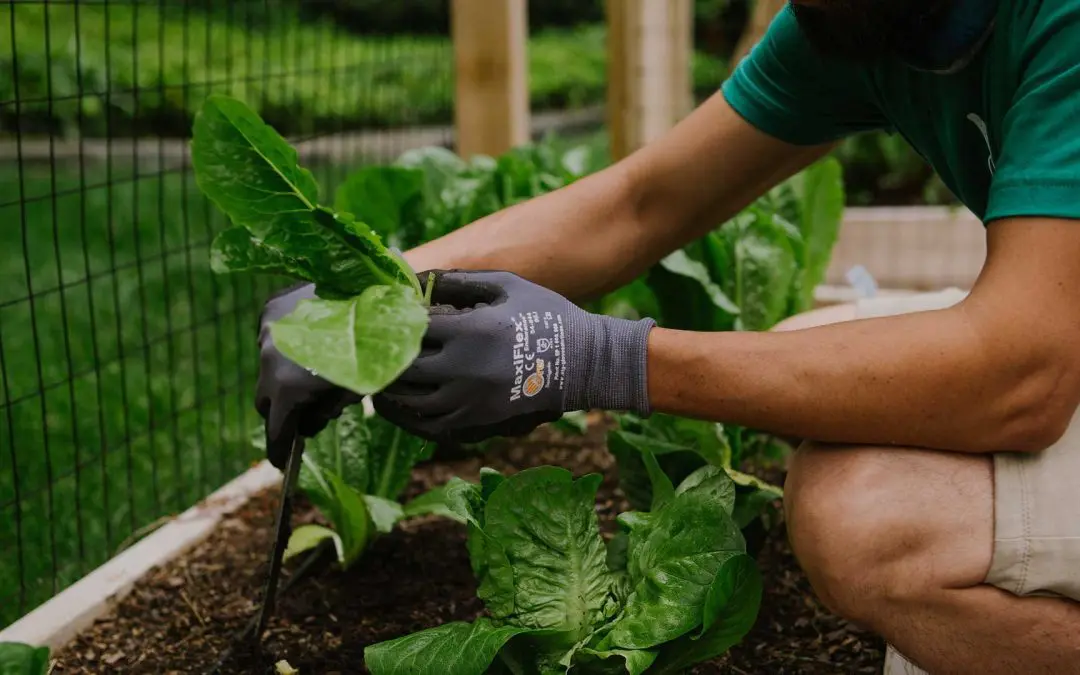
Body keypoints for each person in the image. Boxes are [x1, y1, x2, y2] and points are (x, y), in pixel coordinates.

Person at [254, 0, 1080, 672]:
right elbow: (639, 205)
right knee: (809, 352)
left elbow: (1019, 378)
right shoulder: (863, 21)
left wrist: (597, 360)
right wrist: (368, 294)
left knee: (862, 513)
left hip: (1039, 363)